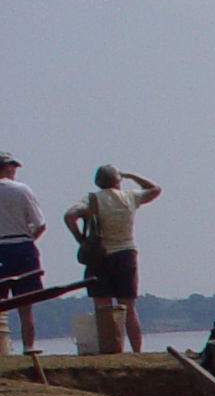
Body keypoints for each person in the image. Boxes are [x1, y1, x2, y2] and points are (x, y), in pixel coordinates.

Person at [62, 165, 160, 356]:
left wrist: (80, 239)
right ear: (117, 180)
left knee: (103, 307)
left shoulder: (91, 199)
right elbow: (155, 189)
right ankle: (137, 351)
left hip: (100, 255)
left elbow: (69, 216)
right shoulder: (129, 197)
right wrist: (130, 174)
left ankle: (110, 350)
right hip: (126, 253)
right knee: (129, 308)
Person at [0, 151, 46, 357]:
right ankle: (29, 345)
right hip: (22, 245)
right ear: (7, 167)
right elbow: (40, 223)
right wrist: (30, 239)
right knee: (25, 302)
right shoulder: (22, 190)